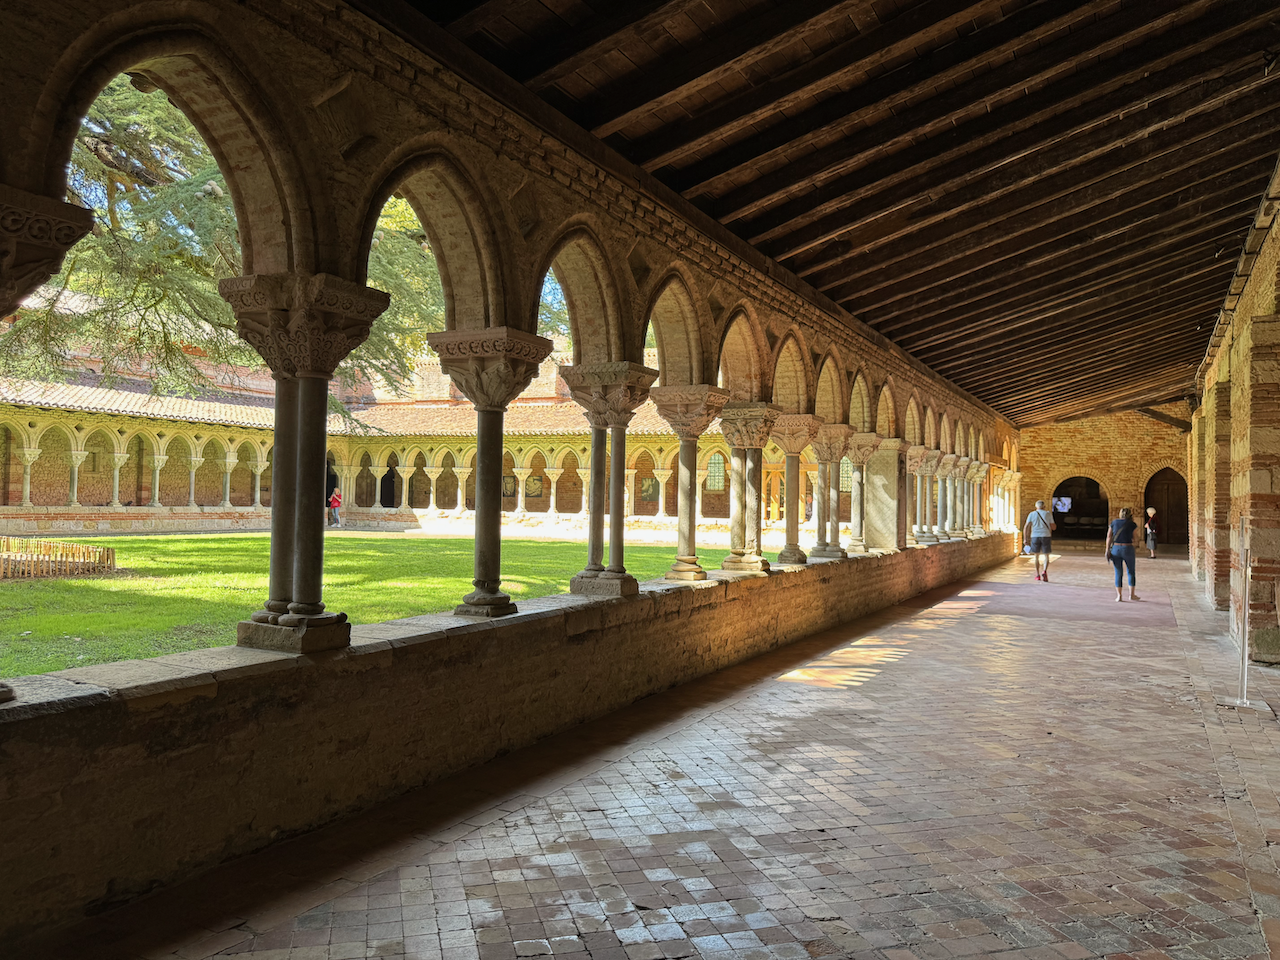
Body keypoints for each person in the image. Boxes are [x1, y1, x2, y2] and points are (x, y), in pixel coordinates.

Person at [1105, 506, 1140, 602]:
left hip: (1115, 548)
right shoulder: (1132, 524)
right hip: (1127, 547)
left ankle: (1119, 596)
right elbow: (1135, 538)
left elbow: (1109, 537)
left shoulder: (1114, 523)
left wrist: (1107, 549)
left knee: (1118, 572)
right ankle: (1132, 595)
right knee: (1131, 571)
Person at [1022, 499, 1056, 581]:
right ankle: (1044, 571)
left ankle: (1037, 574)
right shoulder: (1048, 514)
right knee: (1046, 555)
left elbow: (1026, 526)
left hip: (1035, 536)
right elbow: (1053, 527)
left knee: (1036, 556)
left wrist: (1025, 539)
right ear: (1044, 506)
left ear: (1036, 507)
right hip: (1046, 536)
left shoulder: (1032, 514)